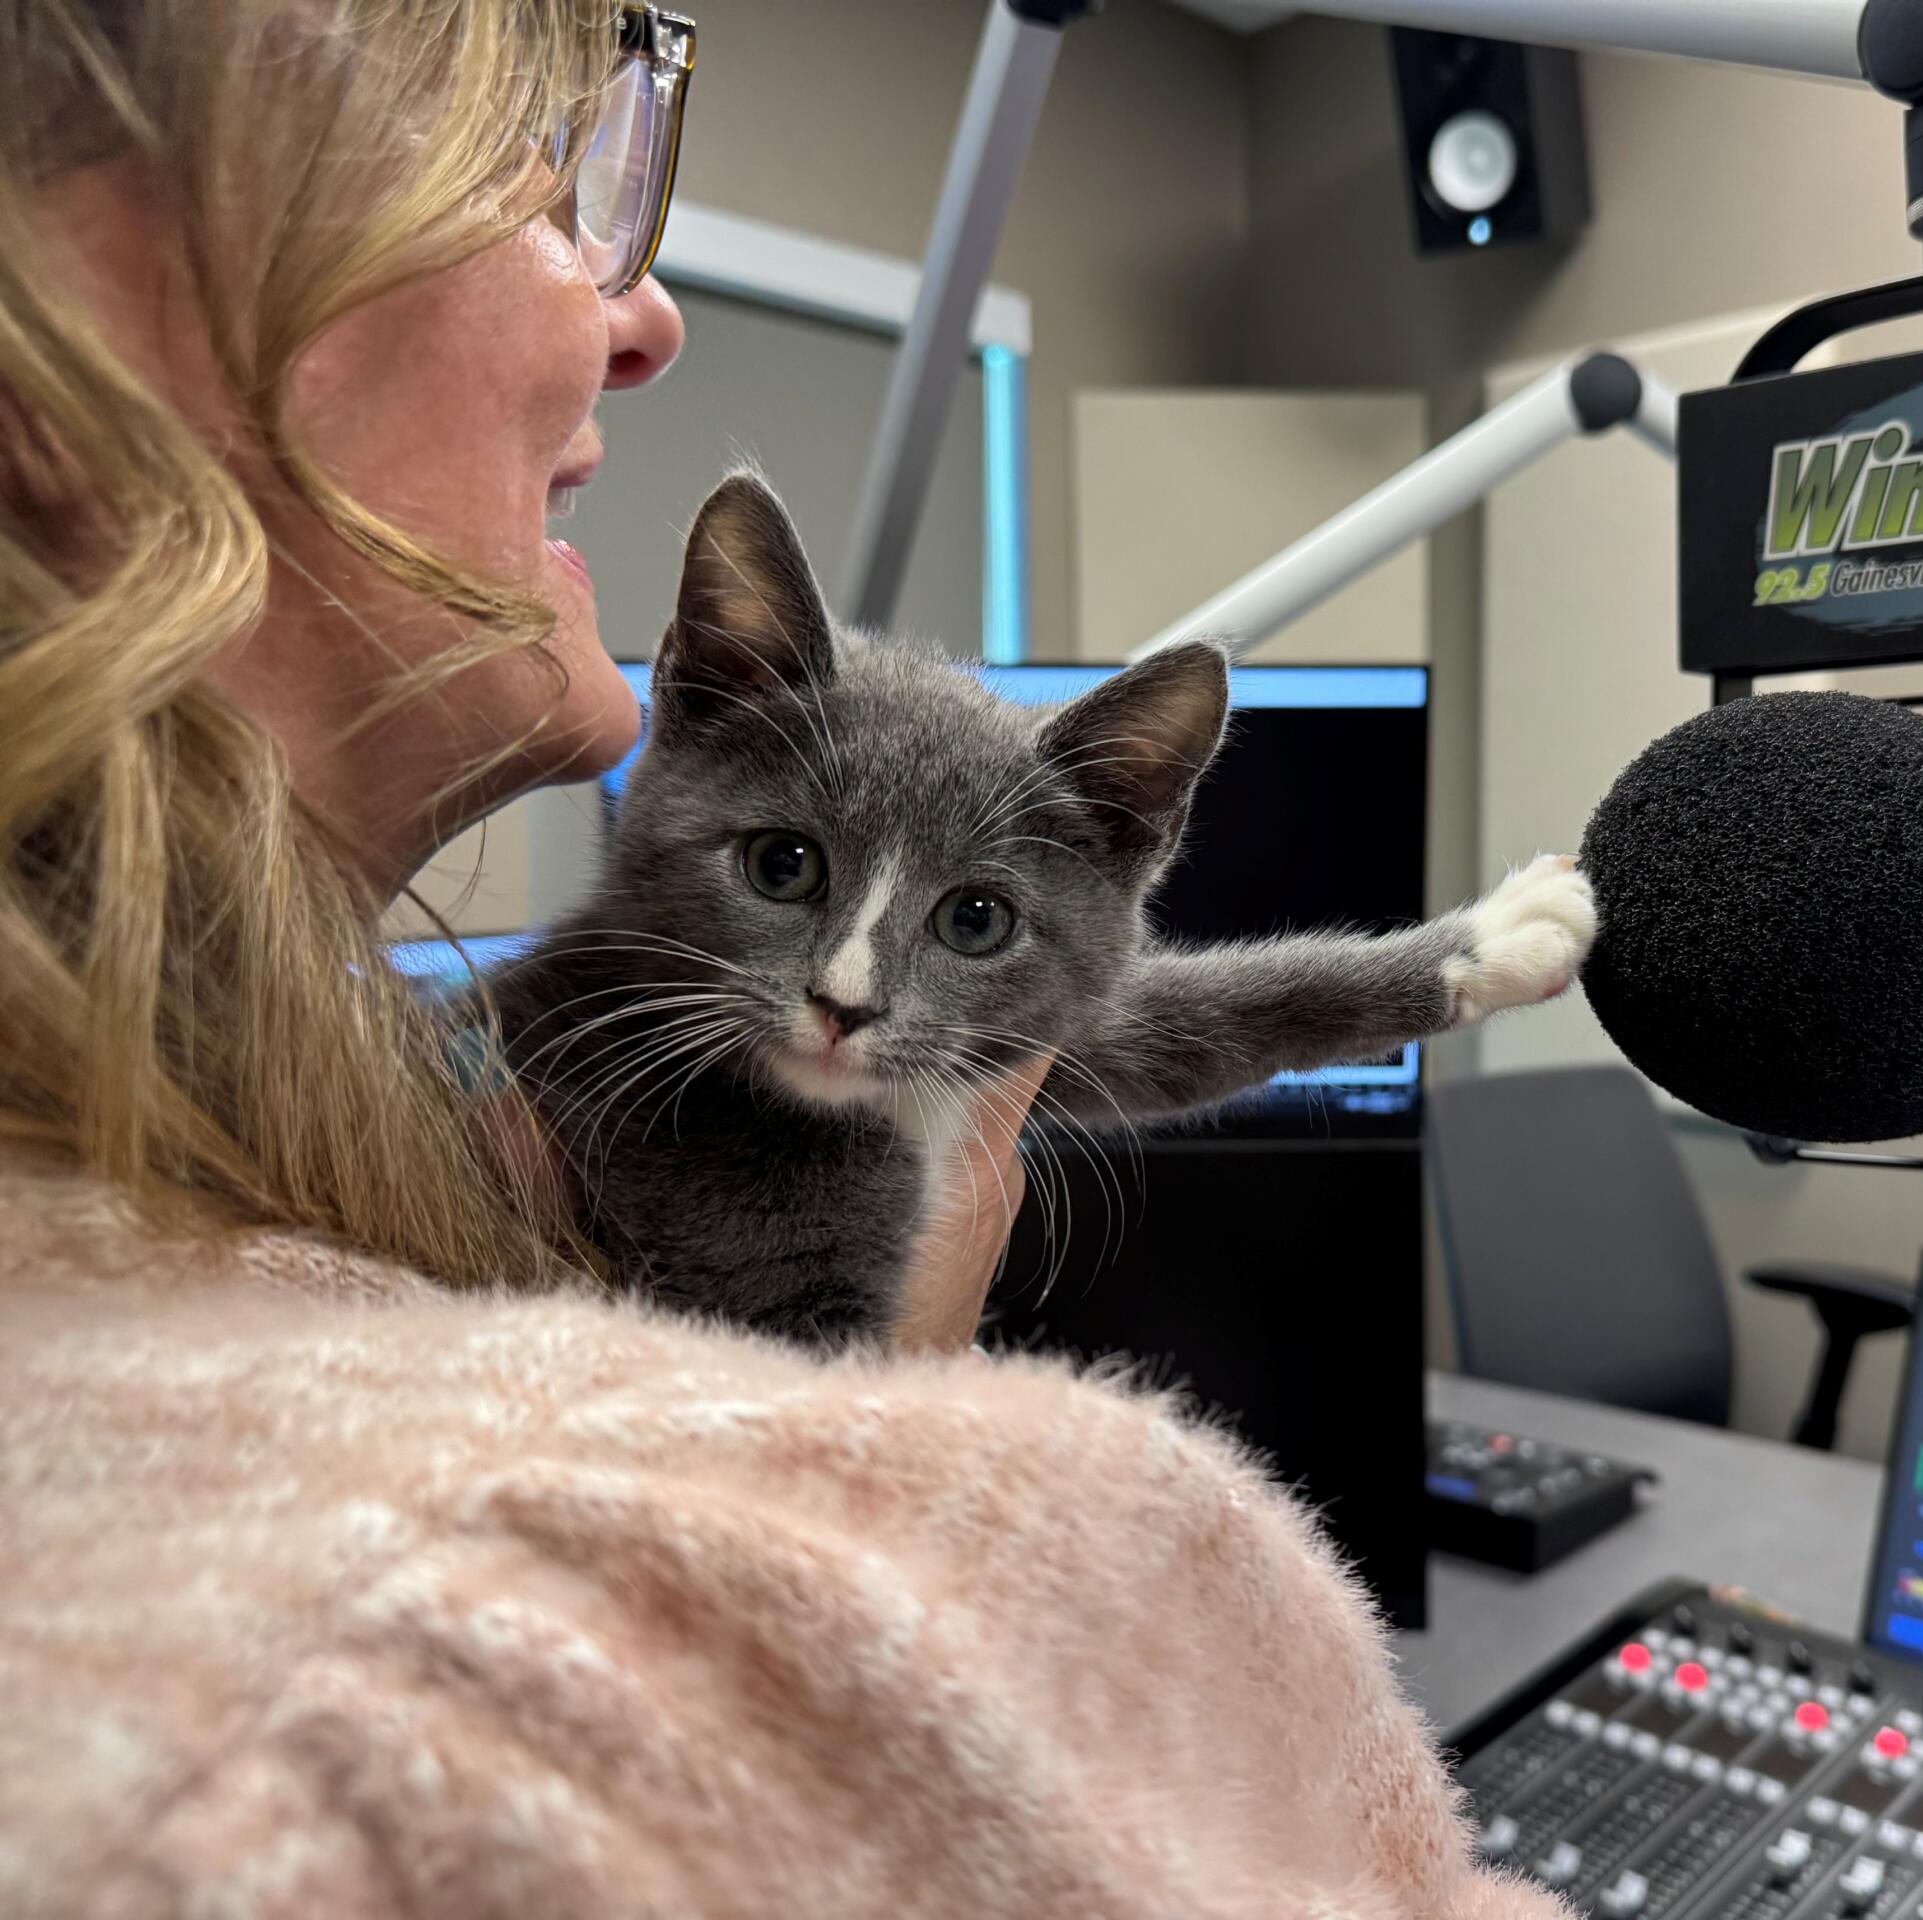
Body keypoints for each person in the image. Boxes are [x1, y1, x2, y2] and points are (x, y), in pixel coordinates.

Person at [0, 7, 1559, 1914]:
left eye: (967, 925)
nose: (640, 311)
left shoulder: (199, 1175)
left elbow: (1143, 1025)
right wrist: (876, 1455)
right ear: (87, 288)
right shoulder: (434, 1625)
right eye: (522, 183)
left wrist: (1433, 974)